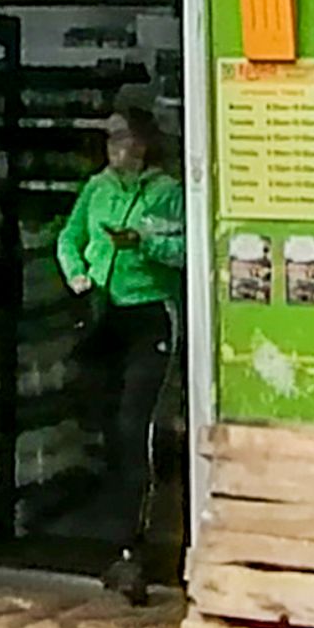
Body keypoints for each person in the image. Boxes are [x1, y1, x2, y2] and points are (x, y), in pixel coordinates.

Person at [54, 95, 188, 599]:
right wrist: (78, 274)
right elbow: (68, 237)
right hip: (103, 311)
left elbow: (187, 250)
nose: (117, 148)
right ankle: (112, 540)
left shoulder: (169, 192)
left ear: (145, 142)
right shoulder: (97, 188)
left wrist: (144, 244)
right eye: (110, 139)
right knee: (107, 425)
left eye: (124, 138)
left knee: (137, 427)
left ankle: (138, 548)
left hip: (149, 313)